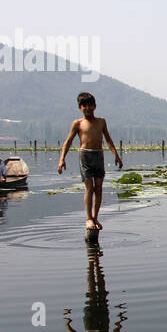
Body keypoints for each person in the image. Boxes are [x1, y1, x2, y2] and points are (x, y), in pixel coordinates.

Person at [57, 92, 122, 231]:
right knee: (89, 187)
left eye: (90, 105)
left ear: (95, 106)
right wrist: (62, 159)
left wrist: (116, 155)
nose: (87, 108)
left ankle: (95, 217)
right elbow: (68, 142)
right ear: (80, 107)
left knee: (98, 187)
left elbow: (108, 140)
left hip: (98, 155)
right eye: (84, 105)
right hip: (85, 155)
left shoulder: (101, 121)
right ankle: (88, 218)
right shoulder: (78, 123)